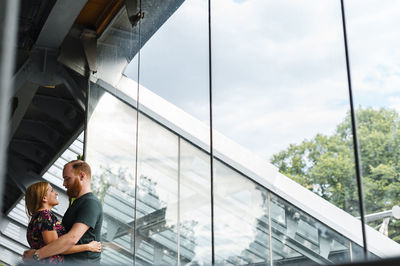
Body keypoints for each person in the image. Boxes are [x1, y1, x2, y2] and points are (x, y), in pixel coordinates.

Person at [24, 160, 104, 263]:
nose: (64, 184)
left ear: (82, 176)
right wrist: (87, 246)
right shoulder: (76, 204)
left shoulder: (90, 203)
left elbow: (72, 238)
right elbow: (56, 243)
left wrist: (36, 255)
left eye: (67, 179)